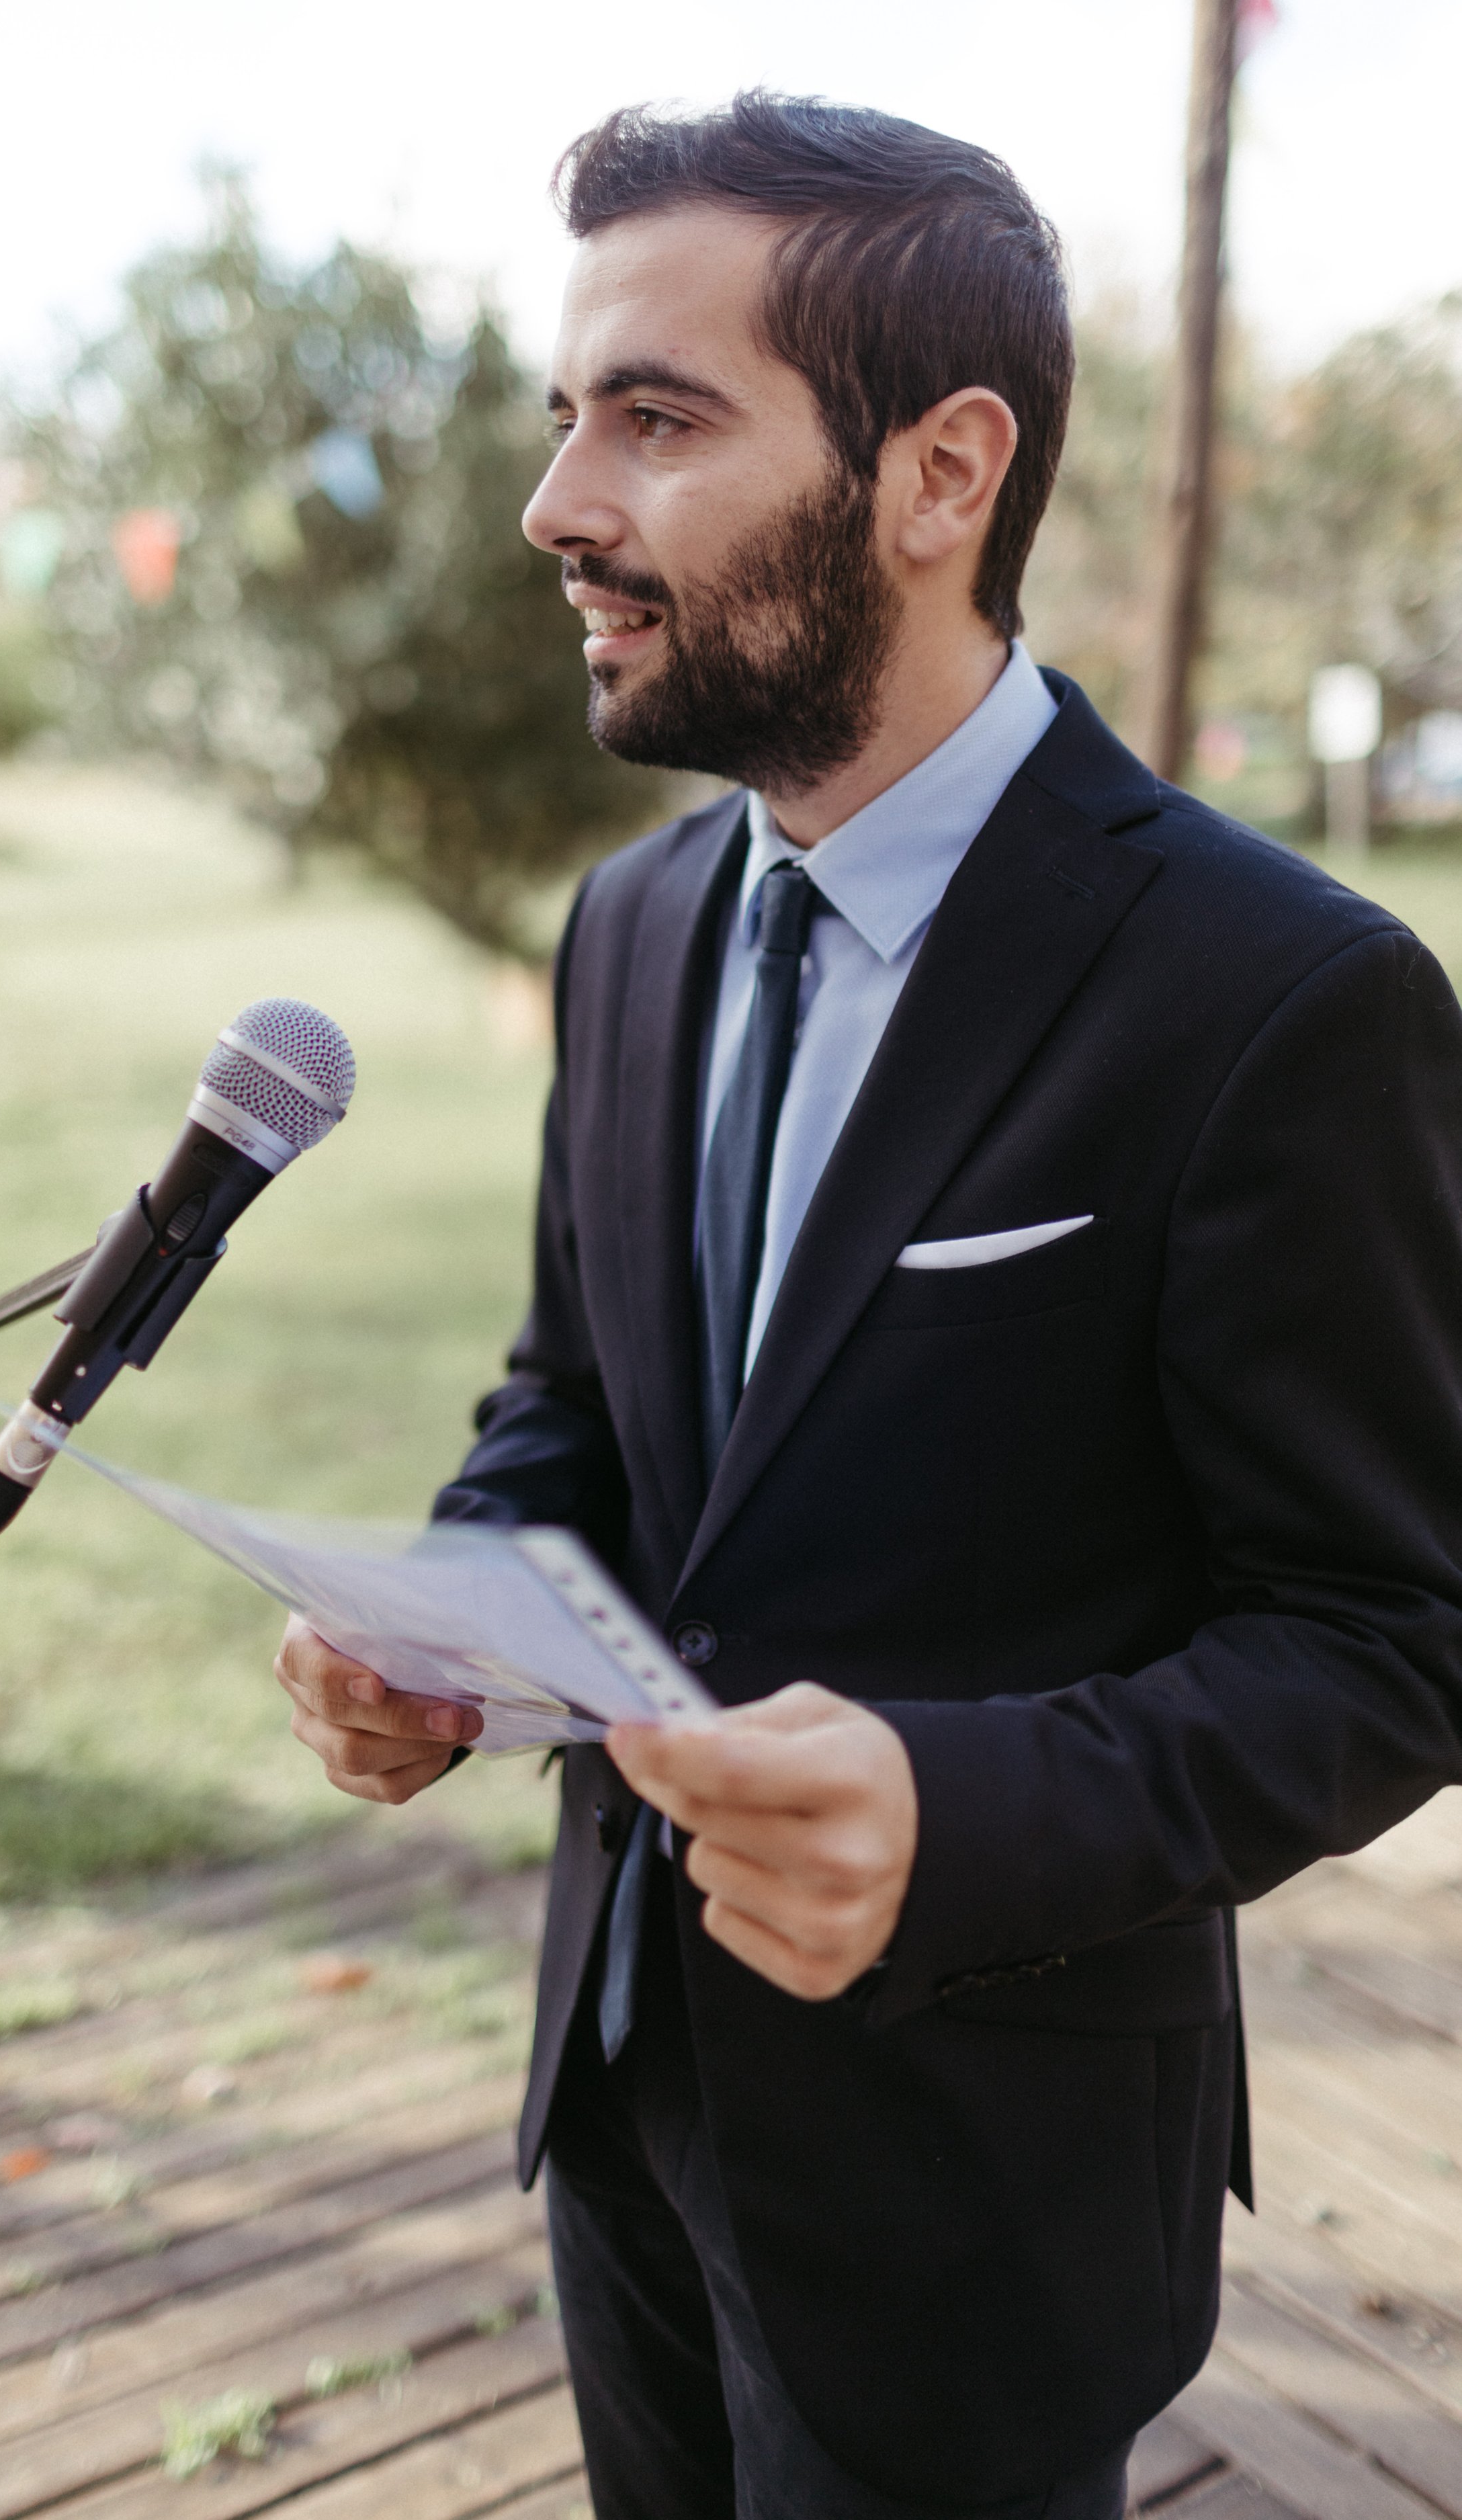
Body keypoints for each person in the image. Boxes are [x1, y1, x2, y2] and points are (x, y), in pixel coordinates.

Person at [274, 92, 1462, 2520]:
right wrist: (446, 1615)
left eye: (658, 417)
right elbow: (574, 1408)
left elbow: (1387, 1633)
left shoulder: (1279, 994)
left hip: (985, 2163)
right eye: (564, 414)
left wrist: (958, 1803)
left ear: (942, 473)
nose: (558, 507)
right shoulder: (626, 932)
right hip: (616, 2083)